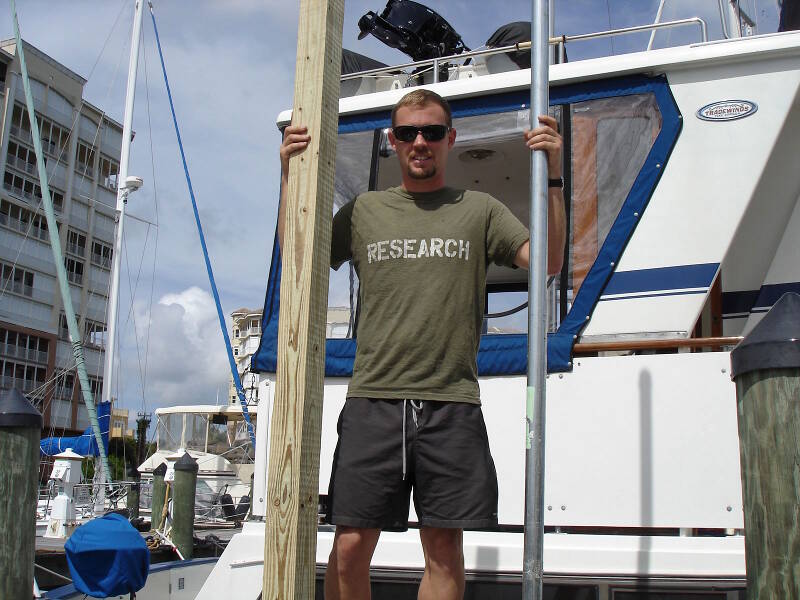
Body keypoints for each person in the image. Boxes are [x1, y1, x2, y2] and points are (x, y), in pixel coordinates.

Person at [278, 89, 565, 600]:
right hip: (373, 398)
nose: (420, 142)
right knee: (348, 546)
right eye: (408, 132)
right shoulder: (364, 211)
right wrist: (288, 178)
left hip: (450, 401)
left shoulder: (480, 210)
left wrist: (553, 177)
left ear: (450, 139)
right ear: (393, 140)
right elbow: (299, 254)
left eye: (432, 132)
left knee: (443, 548)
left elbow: (548, 260)